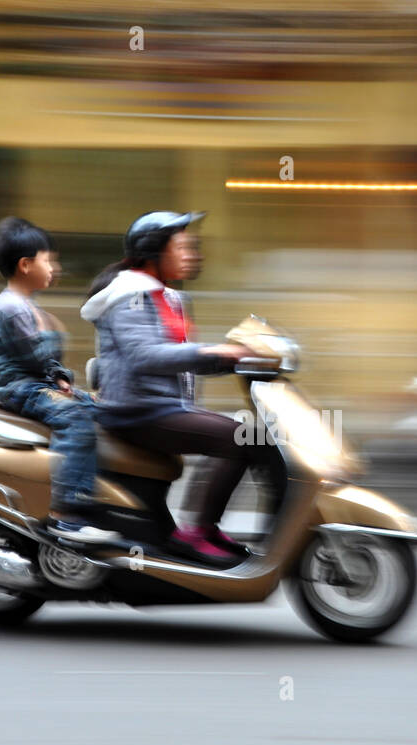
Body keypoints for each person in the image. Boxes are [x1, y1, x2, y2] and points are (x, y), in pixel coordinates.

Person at [81, 210, 286, 561]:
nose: (192, 254)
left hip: (164, 408)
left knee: (255, 437)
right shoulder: (129, 294)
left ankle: (210, 529)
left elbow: (181, 360)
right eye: (182, 247)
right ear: (154, 252)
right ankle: (198, 533)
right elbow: (145, 356)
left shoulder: (170, 297)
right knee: (241, 438)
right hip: (135, 411)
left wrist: (237, 359)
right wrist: (216, 350)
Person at [0, 216, 117, 544]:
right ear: (25, 265)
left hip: (31, 381)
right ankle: (67, 514)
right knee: (76, 419)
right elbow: (35, 357)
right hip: (15, 386)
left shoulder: (24, 305)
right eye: (48, 260)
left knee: (99, 408)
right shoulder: (13, 308)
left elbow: (43, 363)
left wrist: (61, 379)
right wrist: (53, 333)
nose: (55, 267)